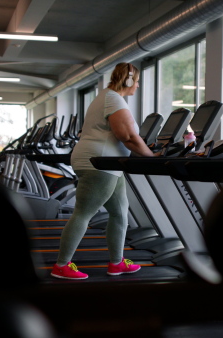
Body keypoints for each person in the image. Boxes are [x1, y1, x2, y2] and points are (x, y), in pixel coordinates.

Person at [51, 62, 155, 279]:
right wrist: (152, 157)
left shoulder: (108, 97)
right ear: (128, 81)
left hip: (109, 164)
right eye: (136, 82)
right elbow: (127, 136)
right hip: (99, 163)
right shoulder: (113, 99)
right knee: (83, 212)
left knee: (119, 212)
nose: (137, 86)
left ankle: (116, 263)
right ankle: (61, 265)